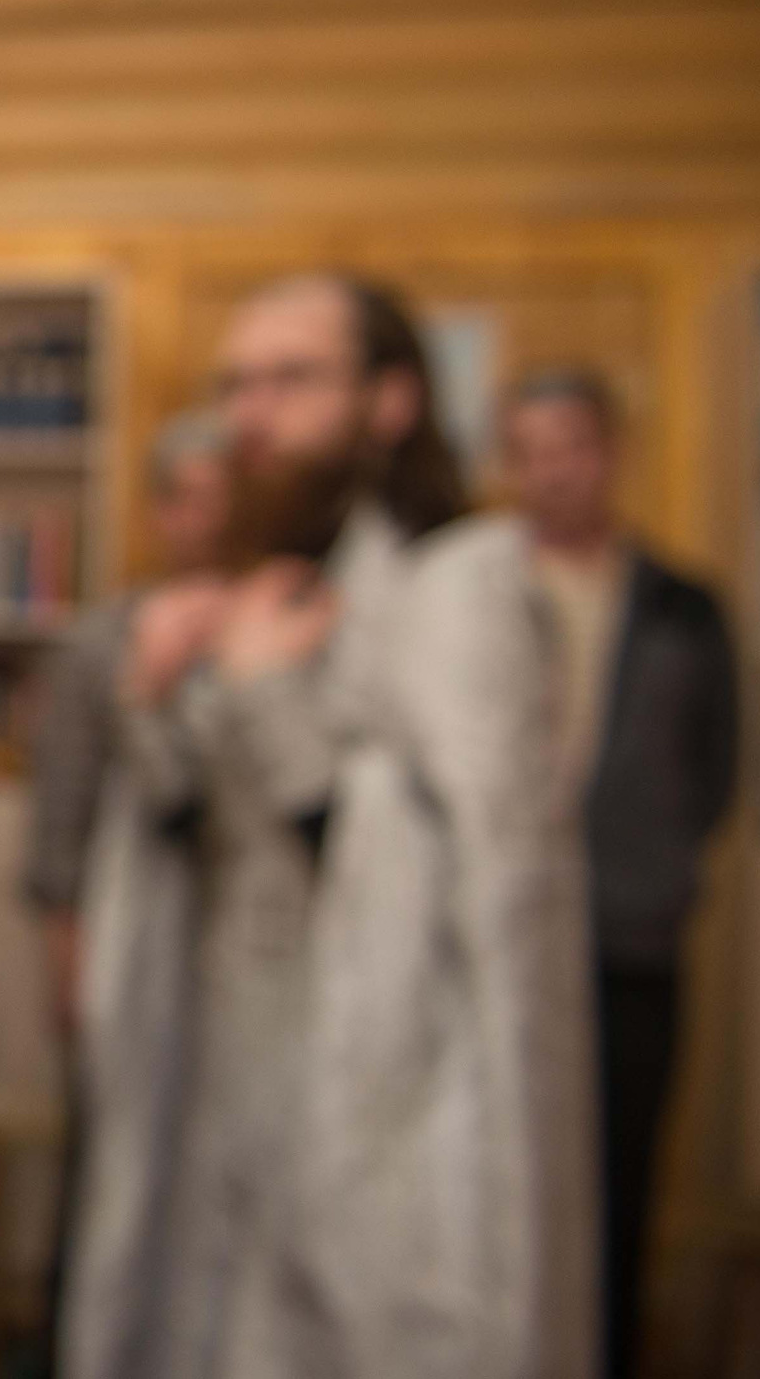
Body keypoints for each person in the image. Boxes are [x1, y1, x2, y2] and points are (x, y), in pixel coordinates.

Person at [68, 274, 596, 1379]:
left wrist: (260, 698)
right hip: (231, 1085)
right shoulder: (272, 578)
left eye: (293, 378)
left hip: (384, 1114)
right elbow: (194, 835)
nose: (250, 413)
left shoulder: (461, 586)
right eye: (235, 384)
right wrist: (151, 692)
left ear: (389, 401)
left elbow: (466, 888)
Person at [502, 369, 738, 1379]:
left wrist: (656, 862)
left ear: (609, 450)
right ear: (508, 463)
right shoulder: (480, 589)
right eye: (531, 448)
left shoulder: (683, 604)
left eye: (573, 444)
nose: (555, 469)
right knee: (505, 1188)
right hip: (502, 945)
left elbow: (714, 765)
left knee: (618, 1187)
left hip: (630, 941)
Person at [29, 410, 229, 1378]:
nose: (211, 514)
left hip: (240, 961)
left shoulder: (281, 620)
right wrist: (71, 968)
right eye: (189, 494)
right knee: (108, 1181)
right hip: (126, 946)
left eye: (225, 490)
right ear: (158, 510)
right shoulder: (102, 639)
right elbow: (58, 825)